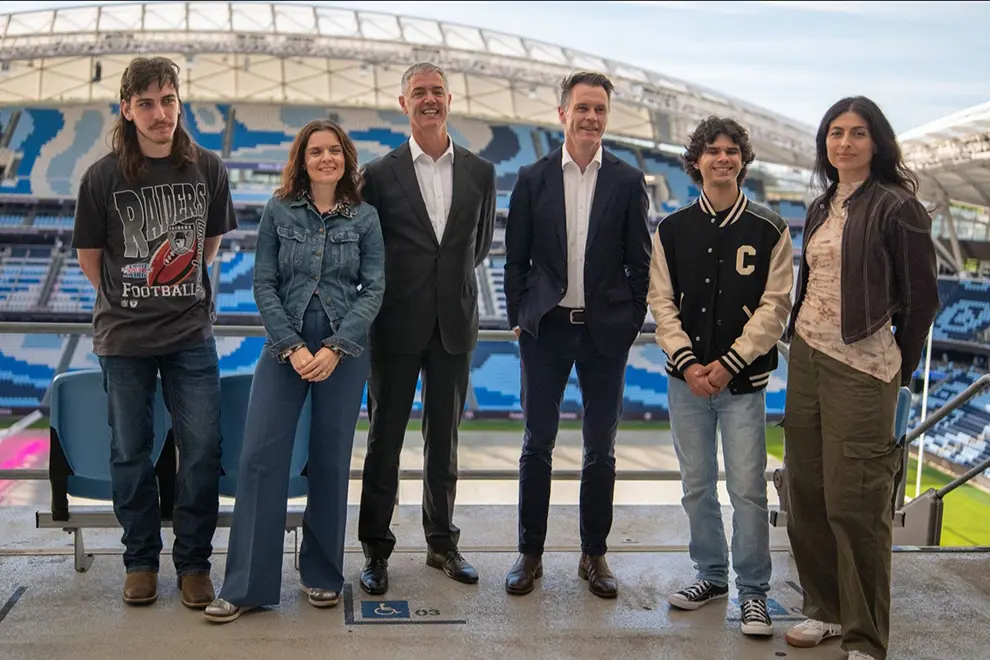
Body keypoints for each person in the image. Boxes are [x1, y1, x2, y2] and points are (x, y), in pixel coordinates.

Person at [203, 120, 385, 623]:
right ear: (301, 160)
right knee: (261, 459)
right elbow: (264, 284)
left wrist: (335, 347)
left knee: (330, 460)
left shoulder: (365, 218)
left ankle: (322, 574)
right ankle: (245, 587)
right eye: (315, 151)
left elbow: (374, 288)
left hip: (343, 352)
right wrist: (290, 345)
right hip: (283, 347)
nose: (325, 158)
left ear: (346, 158)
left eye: (334, 151)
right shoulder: (279, 211)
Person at [71, 56, 237, 607]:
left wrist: (172, 290)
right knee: (129, 451)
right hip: (124, 341)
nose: (159, 112)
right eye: (146, 102)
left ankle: (193, 563)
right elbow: (90, 259)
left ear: (178, 103)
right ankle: (140, 560)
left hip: (191, 334)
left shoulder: (208, 168)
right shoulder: (102, 176)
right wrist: (132, 300)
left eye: (168, 100)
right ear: (127, 109)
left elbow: (208, 249)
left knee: (202, 450)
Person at [782, 97, 939, 660]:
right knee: (807, 492)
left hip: (864, 365)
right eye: (834, 133)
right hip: (806, 358)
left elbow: (923, 300)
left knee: (857, 502)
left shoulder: (899, 207)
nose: (844, 143)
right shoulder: (824, 204)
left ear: (877, 142)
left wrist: (899, 362)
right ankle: (824, 610)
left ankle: (867, 638)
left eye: (857, 133)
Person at [502, 71, 652, 599]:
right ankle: (530, 553)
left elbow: (641, 263)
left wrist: (631, 321)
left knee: (600, 450)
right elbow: (513, 258)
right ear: (563, 113)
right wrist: (521, 315)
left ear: (606, 117)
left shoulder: (629, 181)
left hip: (605, 334)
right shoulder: (531, 177)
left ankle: (594, 554)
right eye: (583, 107)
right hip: (544, 331)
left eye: (600, 110)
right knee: (536, 444)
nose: (591, 117)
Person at [646, 116, 794, 635]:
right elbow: (661, 304)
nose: (723, 158)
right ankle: (710, 574)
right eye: (712, 151)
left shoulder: (772, 228)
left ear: (743, 160)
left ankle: (754, 592)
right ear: (696, 162)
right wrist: (687, 362)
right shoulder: (671, 229)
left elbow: (775, 309)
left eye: (732, 150)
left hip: (742, 386)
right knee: (696, 487)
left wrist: (729, 362)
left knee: (749, 490)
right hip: (685, 383)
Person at [356, 62, 496, 595]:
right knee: (383, 443)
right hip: (393, 328)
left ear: (450, 99)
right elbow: (371, 252)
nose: (429, 99)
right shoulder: (376, 173)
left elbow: (474, 248)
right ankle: (375, 550)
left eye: (437, 90)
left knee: (445, 444)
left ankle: (442, 543)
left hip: (454, 327)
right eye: (419, 92)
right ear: (404, 103)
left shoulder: (481, 172)